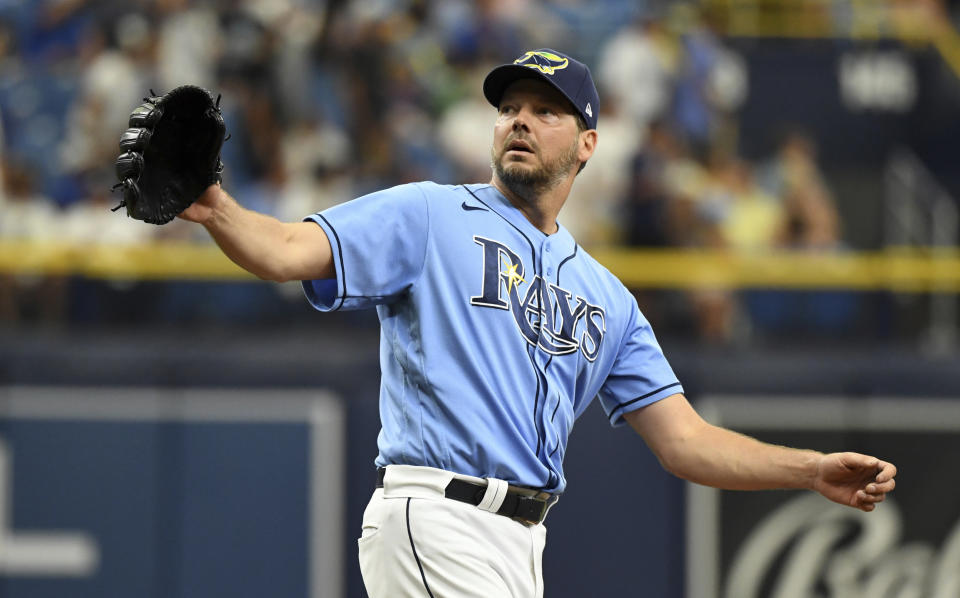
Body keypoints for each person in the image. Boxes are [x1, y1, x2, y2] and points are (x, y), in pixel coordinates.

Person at [177, 49, 897, 598]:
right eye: (510, 106)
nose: (520, 118)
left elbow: (687, 444)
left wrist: (809, 470)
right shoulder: (428, 214)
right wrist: (215, 206)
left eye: (546, 110)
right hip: (436, 513)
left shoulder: (608, 297)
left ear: (587, 143)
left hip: (522, 545)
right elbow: (283, 251)